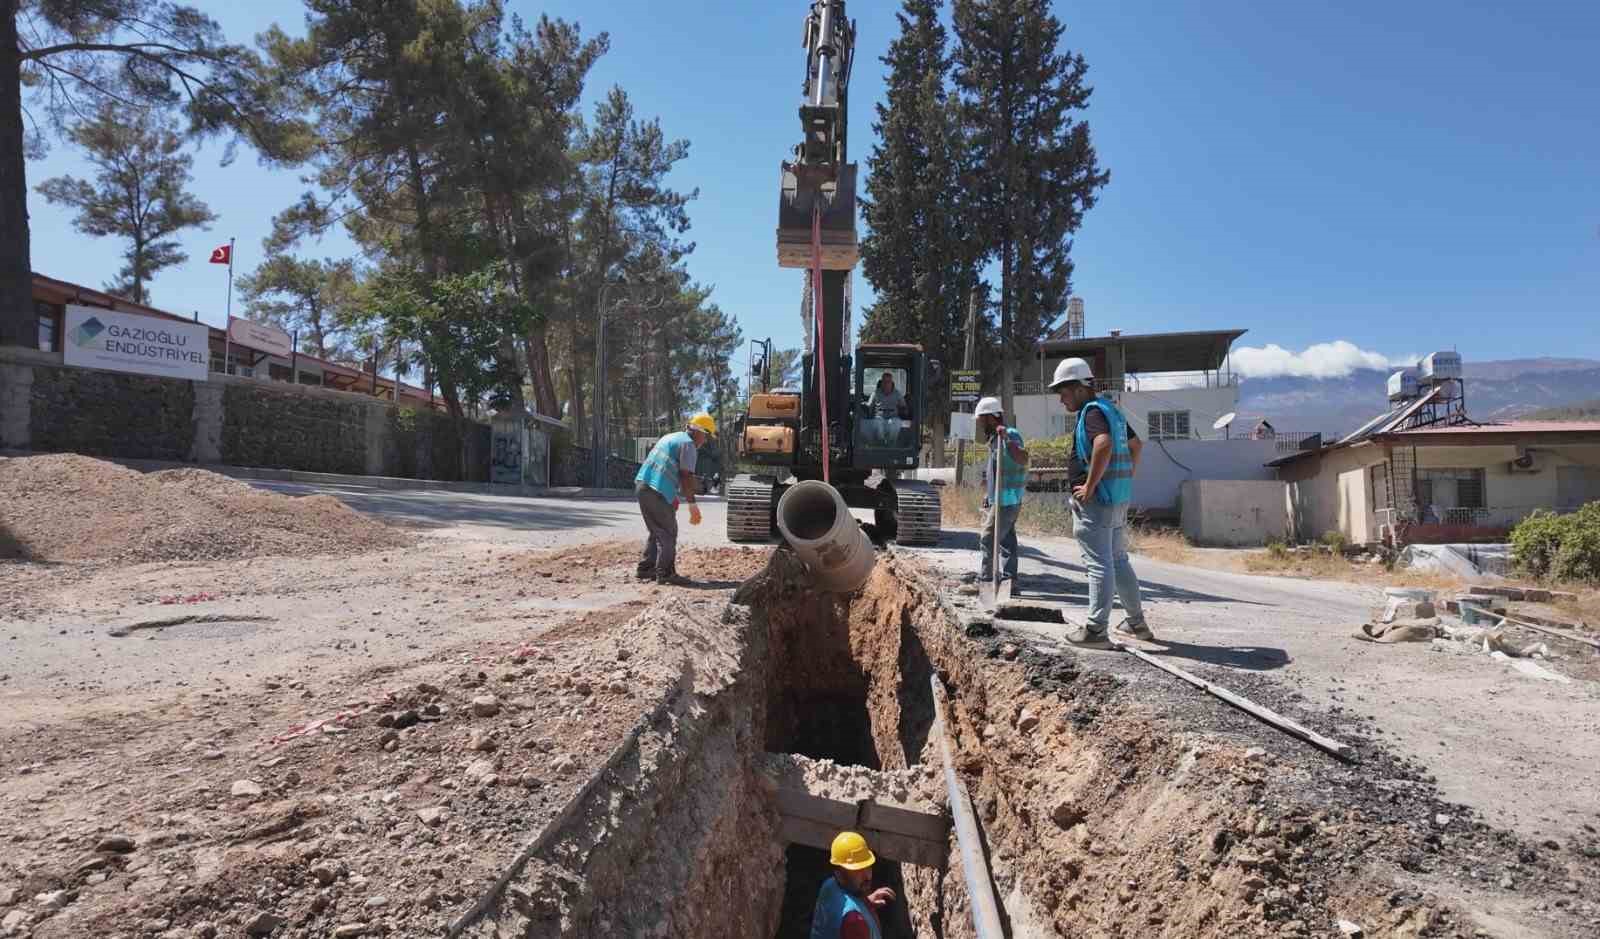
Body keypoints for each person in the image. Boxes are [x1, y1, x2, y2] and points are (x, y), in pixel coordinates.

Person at [1046, 358, 1153, 647]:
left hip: (1098, 501)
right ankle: (1136, 623)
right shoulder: (1111, 410)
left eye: (1063, 392)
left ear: (1080, 388)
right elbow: (1136, 445)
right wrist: (1126, 476)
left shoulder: (1092, 412)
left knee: (1099, 564)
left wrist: (1090, 486)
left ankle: (1095, 631)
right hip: (1117, 498)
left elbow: (1103, 444)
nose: (1061, 400)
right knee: (1118, 560)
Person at [634, 413, 717, 586]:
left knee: (657, 530)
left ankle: (646, 569)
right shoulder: (689, 445)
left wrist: (672, 496)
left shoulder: (671, 437)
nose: (705, 441)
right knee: (668, 532)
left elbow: (667, 469)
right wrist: (692, 505)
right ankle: (665, 573)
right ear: (699, 431)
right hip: (656, 491)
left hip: (643, 486)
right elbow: (686, 477)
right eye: (706, 436)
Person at [969, 395, 1028, 586]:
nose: (980, 424)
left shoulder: (1010, 434)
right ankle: (1010, 582)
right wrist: (988, 494)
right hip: (1000, 498)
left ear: (990, 417)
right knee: (1007, 541)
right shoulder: (994, 439)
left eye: (981, 420)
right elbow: (995, 470)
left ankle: (986, 580)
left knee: (988, 539)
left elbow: (1023, 458)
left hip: (1007, 499)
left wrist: (1007, 439)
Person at [810, 831, 895, 939]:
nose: (867, 876)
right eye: (857, 871)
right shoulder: (854, 922)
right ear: (839, 873)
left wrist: (866, 904)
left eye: (868, 867)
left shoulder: (829, 885)